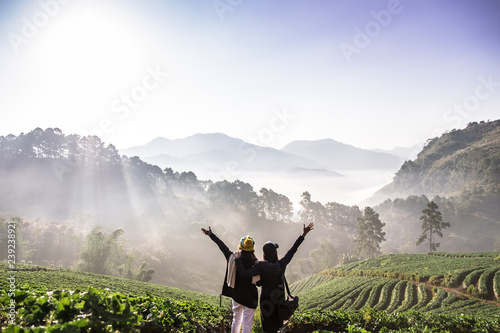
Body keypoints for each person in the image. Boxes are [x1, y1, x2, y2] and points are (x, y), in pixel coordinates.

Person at [234, 223, 315, 333]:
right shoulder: (281, 264)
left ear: (264, 254)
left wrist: (238, 259)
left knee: (267, 327)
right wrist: (303, 234)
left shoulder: (260, 266)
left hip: (265, 301)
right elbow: (293, 250)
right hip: (279, 301)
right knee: (278, 327)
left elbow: (244, 273)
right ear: (275, 252)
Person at [201, 226, 259, 333]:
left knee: (236, 320)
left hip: (237, 295)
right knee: (247, 323)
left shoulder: (233, 258)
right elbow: (259, 281)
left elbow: (222, 246)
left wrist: (211, 235)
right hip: (251, 297)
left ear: (240, 246)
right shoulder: (255, 263)